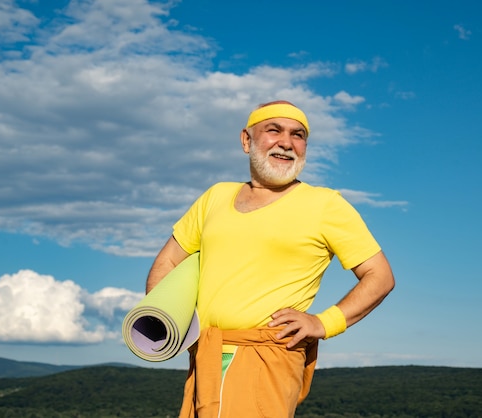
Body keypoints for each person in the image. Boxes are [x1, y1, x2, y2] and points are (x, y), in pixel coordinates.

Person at [145, 100, 395, 418]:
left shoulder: (325, 205)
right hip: (204, 355)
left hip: (267, 357)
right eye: (273, 130)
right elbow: (167, 262)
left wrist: (323, 322)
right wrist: (162, 320)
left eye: (298, 134)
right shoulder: (215, 197)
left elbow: (380, 275)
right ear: (246, 140)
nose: (286, 143)